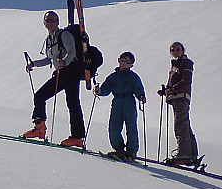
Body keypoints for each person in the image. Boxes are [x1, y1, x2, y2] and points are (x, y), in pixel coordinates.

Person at [22, 10, 86, 147]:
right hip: (62, 73)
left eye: (53, 20)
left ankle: (76, 137)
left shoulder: (65, 35)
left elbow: (72, 51)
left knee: (71, 103)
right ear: (44, 23)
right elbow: (49, 59)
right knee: (42, 97)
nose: (50, 23)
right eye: (48, 20)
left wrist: (65, 61)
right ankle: (42, 129)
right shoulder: (49, 39)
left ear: (57, 22)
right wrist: (34, 64)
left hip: (71, 72)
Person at [94, 51, 146, 160]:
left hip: (129, 101)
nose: (124, 63)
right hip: (117, 101)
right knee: (114, 127)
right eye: (123, 60)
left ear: (131, 65)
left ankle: (131, 151)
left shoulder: (133, 77)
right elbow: (106, 89)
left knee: (131, 127)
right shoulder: (113, 77)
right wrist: (99, 91)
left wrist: (141, 96)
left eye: (128, 62)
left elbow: (138, 89)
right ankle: (119, 149)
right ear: (119, 60)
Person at [157, 41, 199, 165]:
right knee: (184, 124)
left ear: (182, 51)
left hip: (181, 97)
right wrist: (166, 91)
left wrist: (172, 89)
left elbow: (186, 81)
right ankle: (191, 154)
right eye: (172, 50)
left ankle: (184, 154)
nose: (174, 52)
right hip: (177, 97)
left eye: (177, 49)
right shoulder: (176, 64)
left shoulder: (185, 63)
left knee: (180, 124)